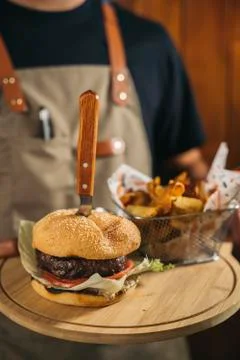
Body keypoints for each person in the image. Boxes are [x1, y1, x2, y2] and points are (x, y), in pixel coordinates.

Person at [0, 0, 208, 359]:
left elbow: (188, 161)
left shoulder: (149, 41)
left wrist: (223, 202)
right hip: (18, 332)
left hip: (147, 325)